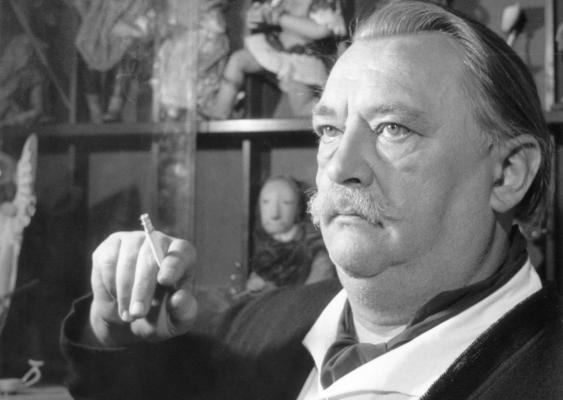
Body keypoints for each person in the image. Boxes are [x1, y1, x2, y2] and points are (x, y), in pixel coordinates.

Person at [61, 1, 563, 399]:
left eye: (393, 128)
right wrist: (115, 332)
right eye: (329, 129)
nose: (339, 168)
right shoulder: (255, 329)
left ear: (508, 174)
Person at [200, 0, 347, 119]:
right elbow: (263, 17)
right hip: (276, 52)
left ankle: (338, 106)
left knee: (300, 107)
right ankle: (221, 109)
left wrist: (280, 18)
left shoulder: (319, 4)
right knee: (238, 60)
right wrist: (257, 17)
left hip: (301, 61)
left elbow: (321, 30)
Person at [243, 175, 334, 295]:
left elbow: (312, 297)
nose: (274, 214)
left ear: (298, 208)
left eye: (286, 203)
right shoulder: (267, 245)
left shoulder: (316, 253)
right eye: (266, 202)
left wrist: (270, 292)